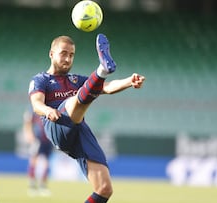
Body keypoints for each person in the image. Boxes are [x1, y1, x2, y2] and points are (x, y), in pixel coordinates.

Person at [28, 34, 145, 203]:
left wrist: (129, 81)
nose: (68, 59)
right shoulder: (40, 80)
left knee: (104, 189)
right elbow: (36, 104)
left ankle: (102, 71)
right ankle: (102, 70)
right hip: (56, 124)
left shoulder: (75, 80)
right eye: (63, 53)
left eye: (71, 55)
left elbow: (107, 87)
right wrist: (47, 110)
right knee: (74, 102)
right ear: (51, 54)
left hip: (79, 129)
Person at [22, 108, 53, 196]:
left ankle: (43, 186)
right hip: (37, 138)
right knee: (34, 160)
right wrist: (29, 134)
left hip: (48, 139)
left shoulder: (50, 106)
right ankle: (32, 185)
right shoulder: (34, 108)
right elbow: (27, 121)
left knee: (46, 162)